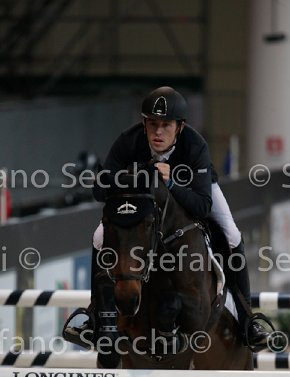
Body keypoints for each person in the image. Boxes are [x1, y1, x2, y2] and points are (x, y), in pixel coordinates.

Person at [63, 86, 270, 353]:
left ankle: (247, 320)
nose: (158, 132)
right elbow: (100, 192)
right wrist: (133, 175)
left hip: (193, 189)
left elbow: (202, 206)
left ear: (179, 127)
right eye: (152, 124)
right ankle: (93, 318)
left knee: (231, 234)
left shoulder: (195, 146)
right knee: (99, 236)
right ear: (144, 123)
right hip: (143, 197)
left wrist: (171, 182)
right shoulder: (129, 141)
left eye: (166, 125)